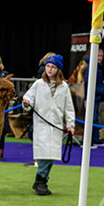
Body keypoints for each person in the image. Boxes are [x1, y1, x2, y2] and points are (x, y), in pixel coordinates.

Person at [22, 54, 75, 195]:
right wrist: (26, 103)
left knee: (50, 156)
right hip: (41, 125)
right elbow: (28, 97)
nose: (50, 69)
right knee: (45, 154)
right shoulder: (39, 84)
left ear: (58, 69)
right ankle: (40, 181)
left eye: (53, 67)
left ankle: (41, 180)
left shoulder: (64, 87)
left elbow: (69, 108)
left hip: (56, 126)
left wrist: (70, 125)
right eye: (48, 66)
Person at [83, 48, 104, 147]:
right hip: (91, 96)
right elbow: (88, 82)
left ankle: (95, 139)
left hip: (97, 96)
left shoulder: (98, 66)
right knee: (91, 119)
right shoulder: (90, 66)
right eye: (98, 56)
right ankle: (88, 141)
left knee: (96, 119)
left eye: (101, 56)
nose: (100, 58)